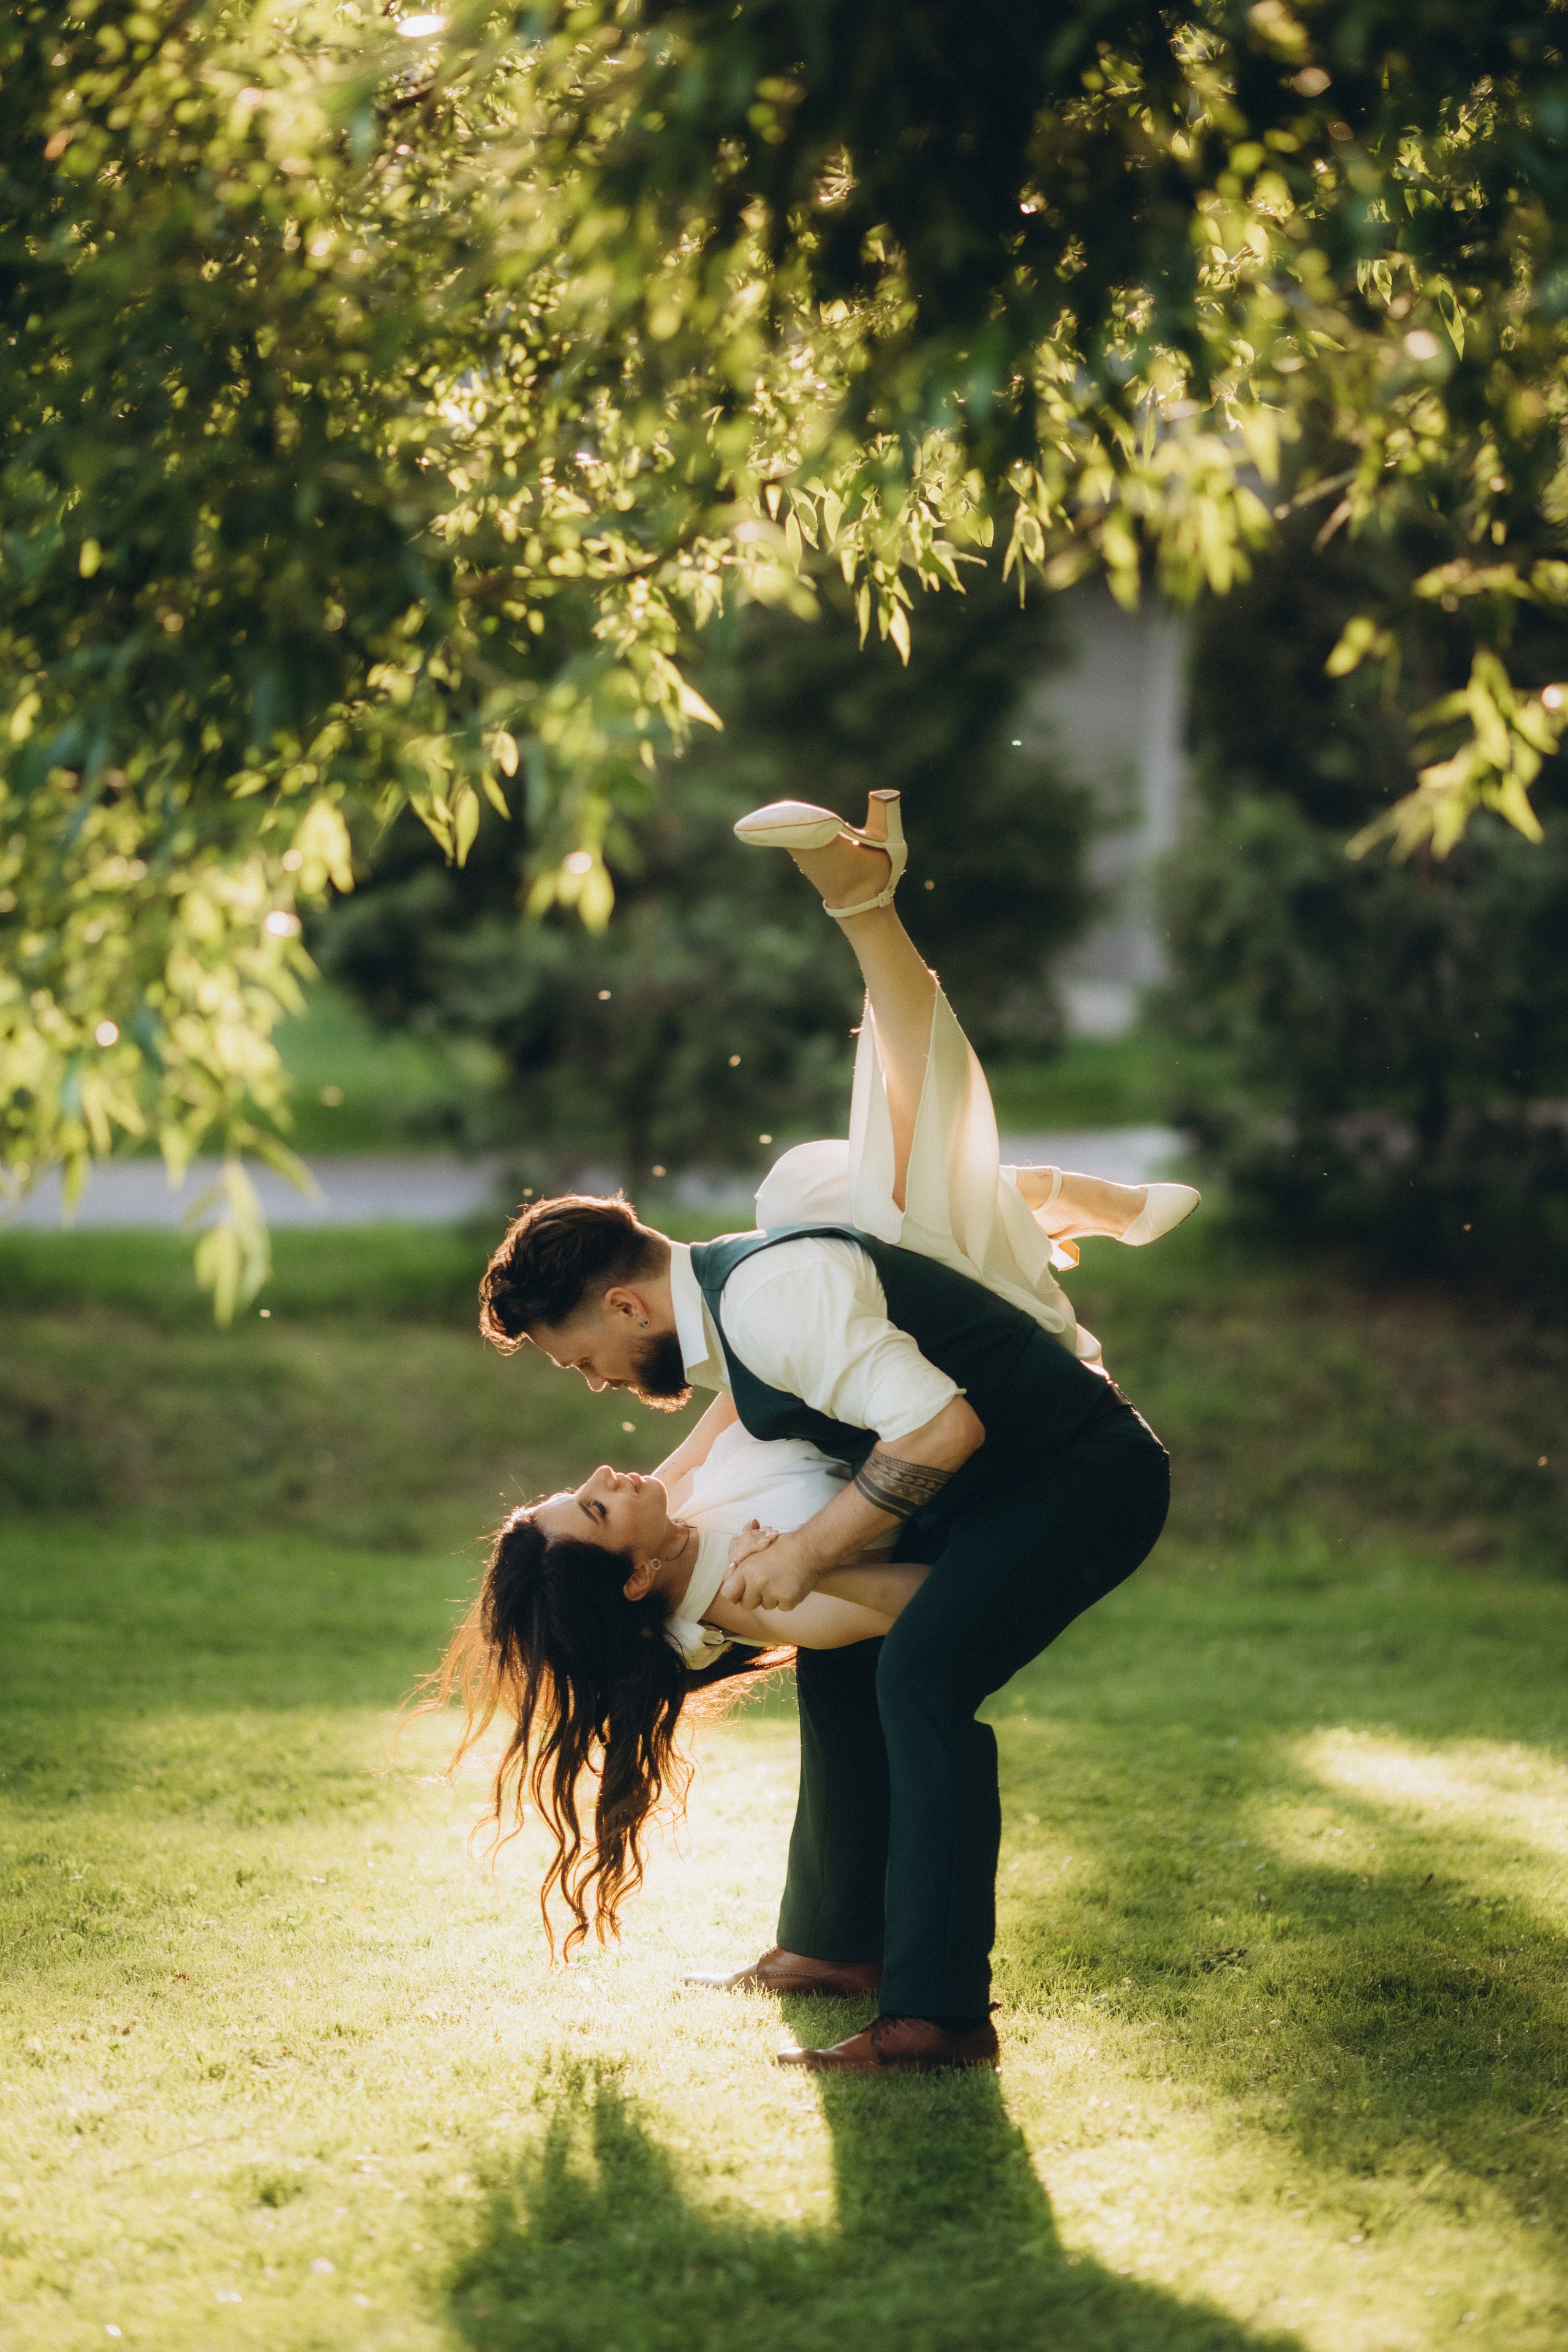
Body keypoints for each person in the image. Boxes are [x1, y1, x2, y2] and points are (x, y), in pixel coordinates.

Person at [447, 792, 1183, 2073]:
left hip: (1076, 1477)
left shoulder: (767, 1296)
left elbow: (942, 1427)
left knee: (921, 1680)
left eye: (584, 1358)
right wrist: (697, 1599)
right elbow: (701, 1472)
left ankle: (939, 2014)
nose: (601, 1397)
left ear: (625, 1304)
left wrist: (803, 1557)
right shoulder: (731, 1333)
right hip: (998, 1482)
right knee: (853, 1672)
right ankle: (834, 1942)